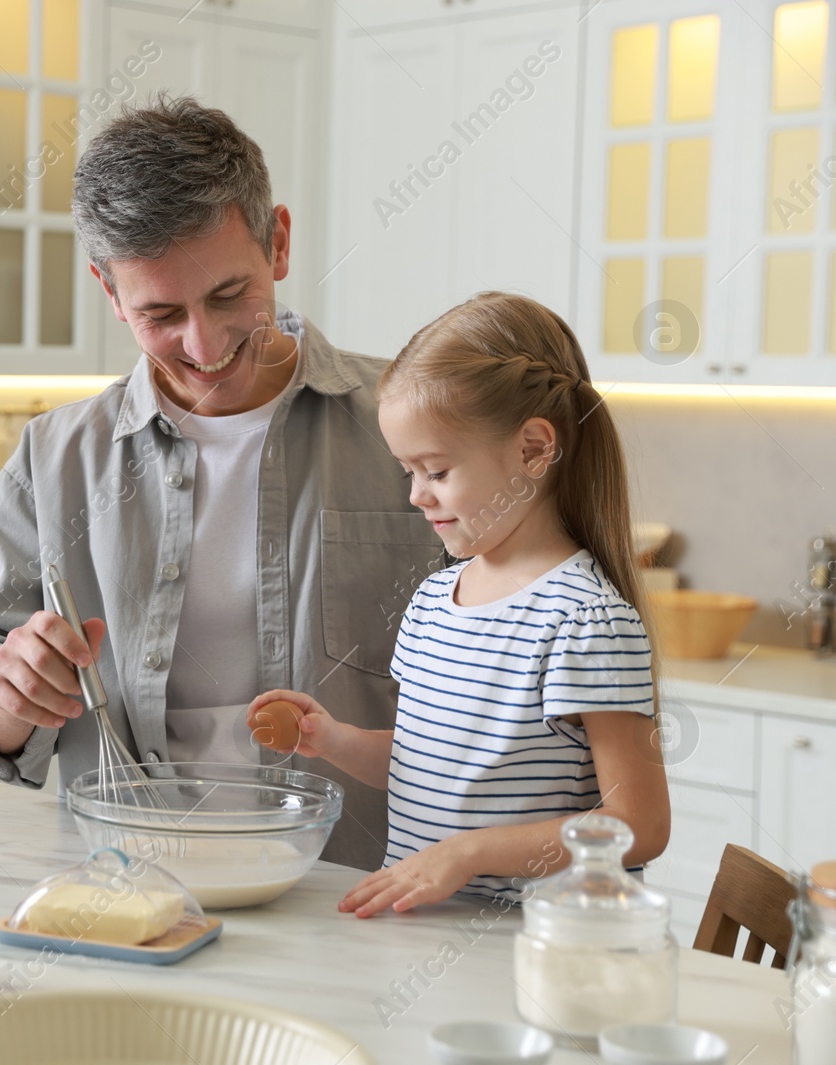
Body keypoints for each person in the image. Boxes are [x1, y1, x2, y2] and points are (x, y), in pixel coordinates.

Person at [0, 96, 445, 871]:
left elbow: (516, 656)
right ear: (109, 291)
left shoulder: (417, 427)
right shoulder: (55, 456)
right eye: (161, 312)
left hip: (368, 894)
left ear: (277, 241)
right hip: (133, 889)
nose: (204, 345)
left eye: (228, 295)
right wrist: (2, 695)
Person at [246, 291, 671, 914]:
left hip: (529, 950)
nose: (417, 495)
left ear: (533, 450)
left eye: (437, 471)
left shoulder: (585, 620)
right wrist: (334, 740)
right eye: (408, 472)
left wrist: (467, 853)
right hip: (421, 933)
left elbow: (639, 826)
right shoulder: (434, 600)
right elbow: (427, 765)